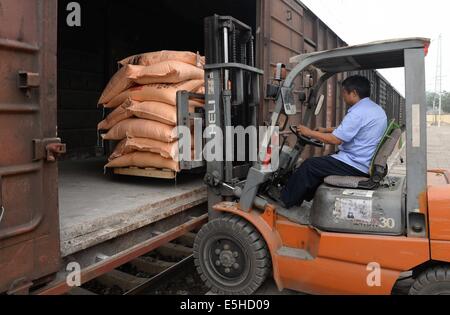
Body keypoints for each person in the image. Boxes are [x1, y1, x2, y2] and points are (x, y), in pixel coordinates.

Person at [279, 75, 388, 209]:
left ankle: (285, 201)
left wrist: (309, 132)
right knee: (319, 165)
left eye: (344, 92)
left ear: (353, 93)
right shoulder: (375, 109)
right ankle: (301, 197)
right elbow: (350, 129)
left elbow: (336, 139)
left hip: (355, 163)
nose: (342, 96)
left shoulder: (358, 112)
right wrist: (325, 130)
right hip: (362, 159)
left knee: (308, 165)